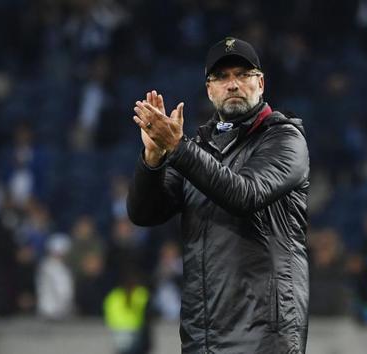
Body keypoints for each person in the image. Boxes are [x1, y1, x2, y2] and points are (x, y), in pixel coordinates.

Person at [127, 37, 310, 353]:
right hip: (203, 337)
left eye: (243, 75)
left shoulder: (284, 139)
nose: (233, 84)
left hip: (264, 338)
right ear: (209, 89)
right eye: (222, 77)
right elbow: (144, 213)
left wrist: (178, 148)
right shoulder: (197, 148)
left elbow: (245, 195)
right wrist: (153, 158)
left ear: (261, 83)